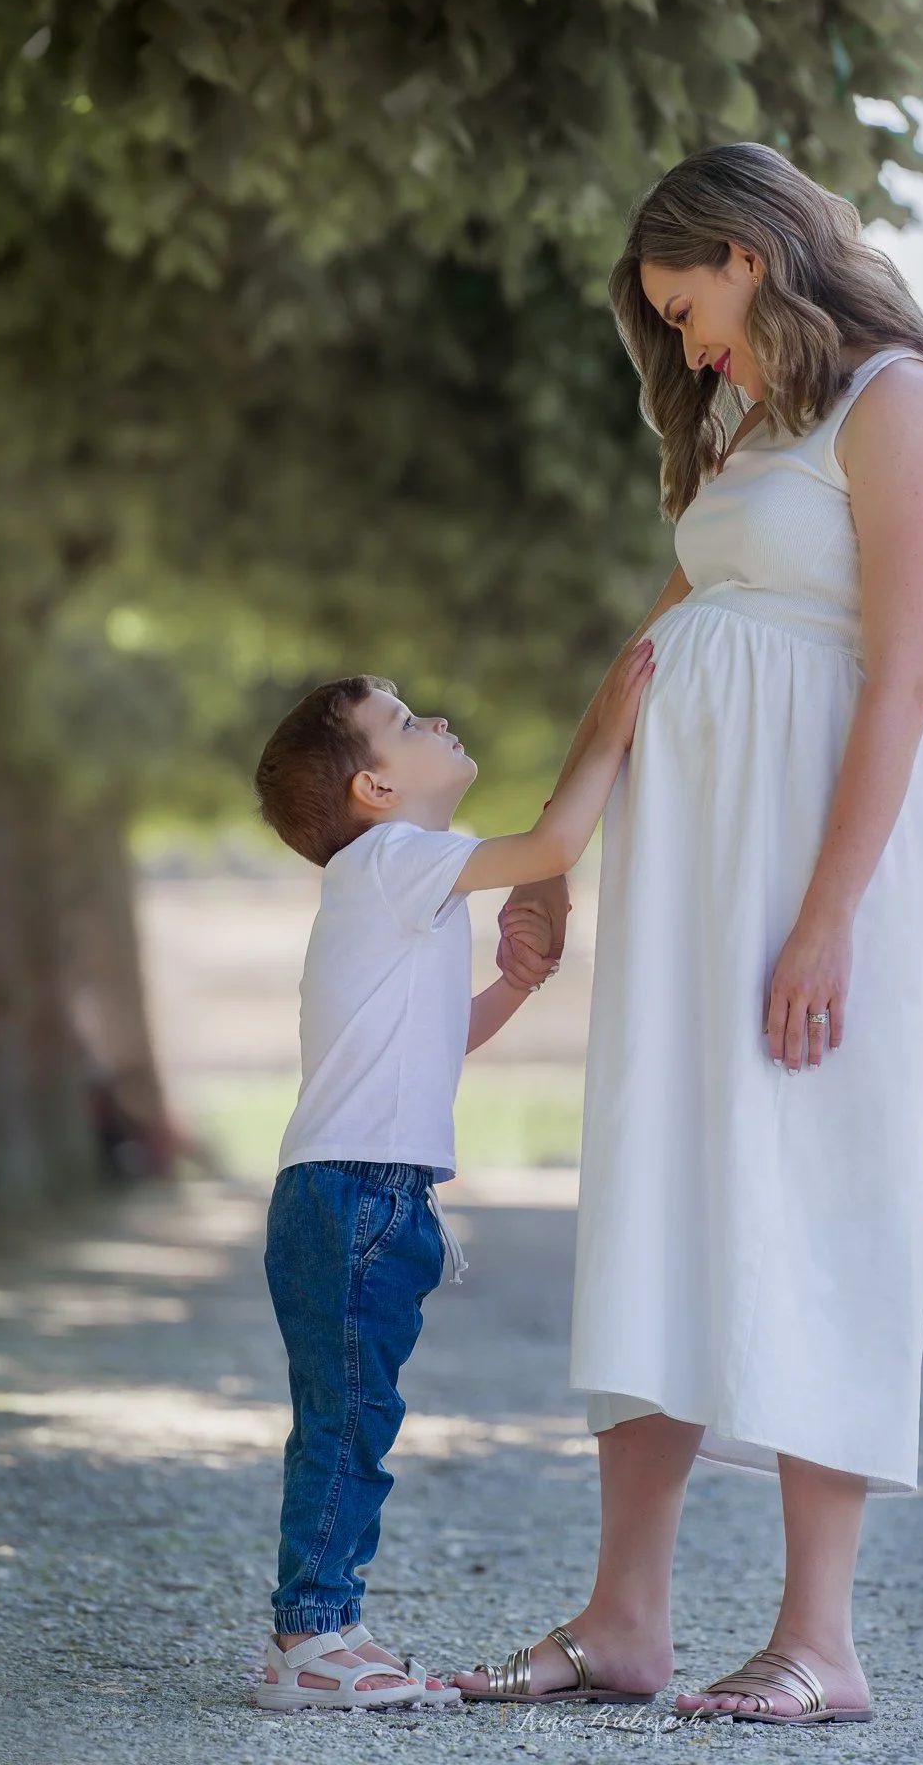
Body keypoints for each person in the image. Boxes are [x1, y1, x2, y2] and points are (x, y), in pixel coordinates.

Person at [452, 142, 923, 1727]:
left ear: (749, 255)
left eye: (685, 305)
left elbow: (897, 679)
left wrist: (826, 920)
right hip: (692, 858)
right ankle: (626, 1620)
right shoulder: (749, 420)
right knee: (661, 1181)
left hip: (830, 851)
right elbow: (662, 639)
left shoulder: (901, 402)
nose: (680, 346)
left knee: (823, 1189)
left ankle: (819, 1641)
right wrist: (553, 848)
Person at [249, 650, 652, 1711]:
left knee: (351, 1417)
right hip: (356, 1193)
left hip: (364, 1193)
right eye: (408, 720)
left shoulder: (395, 882)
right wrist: (608, 728)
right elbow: (557, 844)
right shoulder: (394, 860)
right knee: (348, 1423)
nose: (438, 721)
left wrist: (511, 987)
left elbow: (432, 1043)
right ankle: (311, 1637)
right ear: (373, 788)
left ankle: (325, 1622)